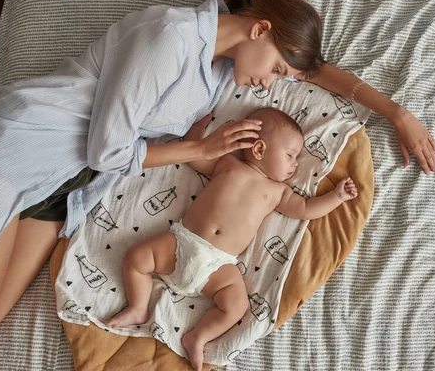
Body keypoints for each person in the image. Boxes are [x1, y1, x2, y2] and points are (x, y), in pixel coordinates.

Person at [0, 0, 435, 351]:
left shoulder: (220, 69)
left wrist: (396, 112)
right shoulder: (170, 38)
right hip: (18, 154)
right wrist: (201, 151)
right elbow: (106, 151)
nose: (267, 86)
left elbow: (315, 69)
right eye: (276, 71)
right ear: (259, 29)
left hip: (61, 191)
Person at [105, 108, 358, 371]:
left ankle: (198, 336)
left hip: (219, 265)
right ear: (259, 149)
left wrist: (336, 198)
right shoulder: (226, 164)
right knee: (136, 257)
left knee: (236, 306)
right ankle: (138, 307)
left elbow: (306, 209)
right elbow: (194, 158)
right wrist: (197, 130)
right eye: (290, 156)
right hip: (182, 242)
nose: (296, 164)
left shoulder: (279, 192)